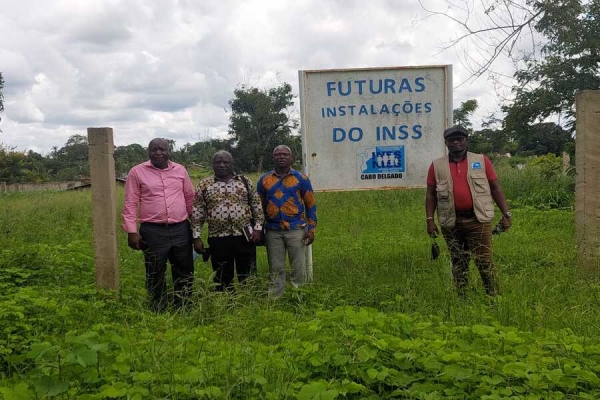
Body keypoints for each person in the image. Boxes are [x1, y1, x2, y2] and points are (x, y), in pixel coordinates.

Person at [425, 125, 512, 296]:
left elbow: (495, 188)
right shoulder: (436, 166)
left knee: (484, 261)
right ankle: (463, 298)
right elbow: (430, 195)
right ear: (446, 143)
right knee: (458, 261)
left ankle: (493, 298)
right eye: (452, 140)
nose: (456, 142)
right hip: (451, 222)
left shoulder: (481, 160)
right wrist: (429, 220)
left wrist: (506, 214)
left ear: (466, 141)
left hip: (478, 221)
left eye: (460, 139)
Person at [122, 138, 195, 311]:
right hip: (152, 230)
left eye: (162, 149)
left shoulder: (180, 170)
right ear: (148, 151)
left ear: (169, 151)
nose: (158, 153)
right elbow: (130, 203)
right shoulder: (137, 172)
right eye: (154, 149)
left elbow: (190, 197)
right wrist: (131, 232)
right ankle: (158, 307)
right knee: (155, 271)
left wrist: (196, 227)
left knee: (184, 269)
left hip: (180, 228)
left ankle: (183, 305)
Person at [191, 151, 264, 292]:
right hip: (218, 237)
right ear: (213, 165)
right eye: (218, 162)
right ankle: (226, 302)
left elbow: (256, 205)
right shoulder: (204, 184)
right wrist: (196, 237)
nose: (222, 165)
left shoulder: (244, 181)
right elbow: (197, 212)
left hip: (244, 236)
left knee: (248, 272)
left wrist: (258, 228)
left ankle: (248, 298)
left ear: (232, 164)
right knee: (222, 273)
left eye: (226, 162)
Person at [257, 145, 317, 297]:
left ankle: (299, 296)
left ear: (291, 158)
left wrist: (311, 229)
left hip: (297, 229)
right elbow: (259, 207)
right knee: (276, 268)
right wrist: (259, 229)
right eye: (278, 154)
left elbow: (310, 204)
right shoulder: (264, 179)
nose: (281, 157)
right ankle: (275, 298)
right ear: (273, 157)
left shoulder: (301, 179)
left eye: (285, 154)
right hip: (272, 231)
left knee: (298, 267)